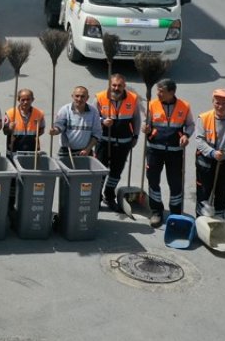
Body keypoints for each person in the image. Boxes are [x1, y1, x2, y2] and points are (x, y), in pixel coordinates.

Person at [142, 78, 195, 228]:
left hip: (175, 152)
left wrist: (186, 135)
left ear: (171, 92)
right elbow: (147, 123)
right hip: (154, 150)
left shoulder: (184, 106)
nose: (158, 93)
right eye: (157, 90)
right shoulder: (152, 104)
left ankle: (176, 214)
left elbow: (190, 125)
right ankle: (156, 212)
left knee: (175, 183)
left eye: (161, 91)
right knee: (153, 181)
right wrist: (146, 128)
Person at [193, 89, 225, 219]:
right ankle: (200, 219)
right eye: (217, 103)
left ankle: (219, 218)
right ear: (213, 102)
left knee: (223, 193)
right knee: (203, 192)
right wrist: (212, 152)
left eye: (224, 103)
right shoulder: (203, 118)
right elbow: (199, 139)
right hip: (206, 162)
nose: (220, 106)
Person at [93, 74, 140, 211]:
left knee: (116, 172)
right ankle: (97, 197)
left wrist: (136, 136)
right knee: (100, 171)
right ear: (109, 85)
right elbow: (92, 117)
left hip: (124, 142)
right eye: (114, 85)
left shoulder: (133, 98)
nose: (116, 88)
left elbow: (136, 119)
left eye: (119, 85)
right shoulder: (100, 97)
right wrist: (102, 121)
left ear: (124, 86)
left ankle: (109, 195)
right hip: (103, 141)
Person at [50, 86, 103, 158]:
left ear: (87, 98)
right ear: (72, 96)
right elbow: (59, 126)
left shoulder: (94, 112)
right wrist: (54, 131)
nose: (79, 99)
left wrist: (88, 149)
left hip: (85, 152)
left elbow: (97, 133)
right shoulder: (65, 110)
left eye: (82, 96)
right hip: (66, 152)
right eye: (77, 96)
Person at [3, 88, 45, 156]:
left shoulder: (39, 114)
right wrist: (10, 129)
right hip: (14, 151)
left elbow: (42, 129)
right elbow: (5, 131)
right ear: (18, 100)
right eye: (23, 100)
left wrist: (32, 138)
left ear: (33, 99)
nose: (25, 102)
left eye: (28, 99)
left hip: (32, 151)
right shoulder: (10, 113)